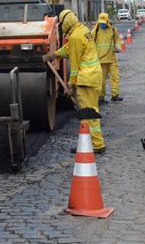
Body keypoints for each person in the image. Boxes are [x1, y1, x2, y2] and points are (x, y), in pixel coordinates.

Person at [44, 9, 106, 153]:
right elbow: (68, 49)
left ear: (66, 22)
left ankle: (96, 144)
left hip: (86, 78)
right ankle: (91, 142)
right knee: (90, 110)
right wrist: (53, 56)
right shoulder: (82, 30)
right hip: (93, 75)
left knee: (88, 112)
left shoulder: (75, 37)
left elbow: (75, 65)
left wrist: (71, 85)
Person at [93, 12, 123, 103]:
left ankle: (115, 95)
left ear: (107, 21)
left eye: (103, 22)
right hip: (101, 60)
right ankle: (101, 97)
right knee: (101, 80)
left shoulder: (113, 30)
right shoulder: (95, 31)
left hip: (112, 58)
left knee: (115, 76)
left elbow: (117, 40)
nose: (102, 24)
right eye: (100, 22)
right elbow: (90, 43)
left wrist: (118, 47)